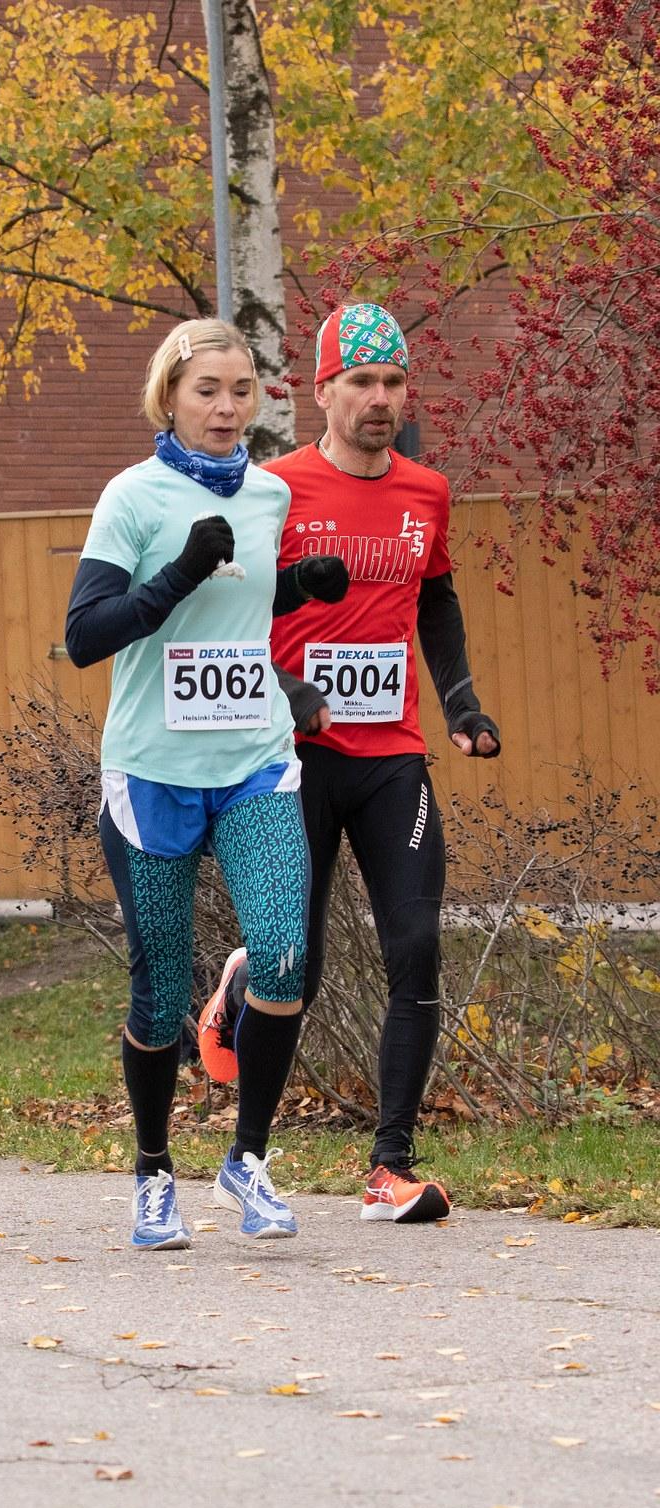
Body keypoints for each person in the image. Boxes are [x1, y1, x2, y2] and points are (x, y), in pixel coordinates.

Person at [196, 302, 501, 1225]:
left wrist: (460, 704)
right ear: (320, 391)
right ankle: (246, 1040)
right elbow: (233, 612)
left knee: (416, 951)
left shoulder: (428, 492)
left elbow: (436, 601)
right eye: (360, 382)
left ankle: (389, 1168)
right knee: (303, 964)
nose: (379, 399)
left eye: (393, 382)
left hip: (391, 759)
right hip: (290, 759)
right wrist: (288, 687)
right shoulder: (273, 489)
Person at [64, 317, 350, 1249]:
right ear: (169, 398)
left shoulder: (269, 497)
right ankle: (153, 1174)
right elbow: (86, 634)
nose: (227, 408)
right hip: (152, 772)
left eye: (241, 391)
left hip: (255, 759)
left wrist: (299, 583)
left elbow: (247, 601)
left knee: (280, 957)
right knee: (157, 996)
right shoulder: (132, 497)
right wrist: (179, 573)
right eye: (207, 392)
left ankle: (247, 1160)